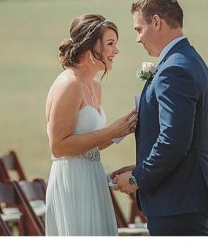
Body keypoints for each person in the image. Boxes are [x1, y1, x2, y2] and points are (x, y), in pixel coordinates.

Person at [110, 0, 208, 236]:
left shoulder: (173, 70)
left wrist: (137, 178)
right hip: (186, 195)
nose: (137, 39)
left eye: (138, 29)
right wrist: (140, 166)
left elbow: (174, 141)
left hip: (178, 200)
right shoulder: (189, 59)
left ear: (156, 22)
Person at [44, 14, 138, 236]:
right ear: (89, 47)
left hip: (93, 177)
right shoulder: (70, 84)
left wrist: (122, 131)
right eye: (110, 44)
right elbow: (58, 146)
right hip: (72, 182)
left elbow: (86, 144)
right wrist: (111, 131)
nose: (116, 51)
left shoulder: (95, 87)